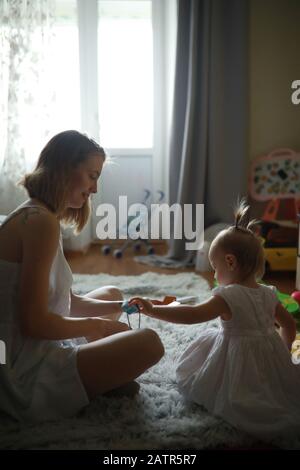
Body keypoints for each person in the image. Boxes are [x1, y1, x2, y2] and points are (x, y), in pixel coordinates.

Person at [0, 130, 164, 423]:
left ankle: (99, 375)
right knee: (149, 343)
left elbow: (63, 301)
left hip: (28, 344)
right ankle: (95, 381)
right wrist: (96, 327)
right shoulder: (40, 223)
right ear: (65, 169)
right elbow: (34, 322)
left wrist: (121, 307)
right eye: (91, 175)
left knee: (113, 294)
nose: (95, 188)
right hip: (21, 367)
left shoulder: (38, 216)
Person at [129, 200, 300, 441]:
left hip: (238, 361)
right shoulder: (269, 293)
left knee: (203, 376)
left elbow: (192, 315)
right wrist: (282, 355)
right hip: (270, 357)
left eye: (214, 267)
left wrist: (152, 311)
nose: (214, 274)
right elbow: (289, 325)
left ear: (230, 262)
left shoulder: (228, 296)